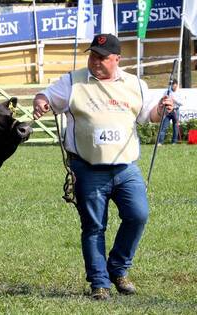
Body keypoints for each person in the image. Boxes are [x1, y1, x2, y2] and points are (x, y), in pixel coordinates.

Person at [32, 34, 174, 300]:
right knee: (94, 227)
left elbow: (148, 116)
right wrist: (40, 101)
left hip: (126, 168)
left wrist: (162, 110)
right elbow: (46, 96)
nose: (95, 61)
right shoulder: (73, 81)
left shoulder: (135, 84)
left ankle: (117, 269)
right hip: (87, 168)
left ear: (117, 59)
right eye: (92, 55)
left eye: (102, 57)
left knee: (138, 215)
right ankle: (99, 283)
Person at [157, 79, 183, 145]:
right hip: (168, 111)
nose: (174, 87)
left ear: (177, 85)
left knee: (175, 127)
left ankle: (174, 142)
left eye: (175, 86)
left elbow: (182, 103)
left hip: (175, 110)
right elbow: (163, 99)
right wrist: (163, 102)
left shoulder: (179, 92)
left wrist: (174, 100)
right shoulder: (167, 91)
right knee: (164, 126)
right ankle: (160, 142)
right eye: (172, 86)